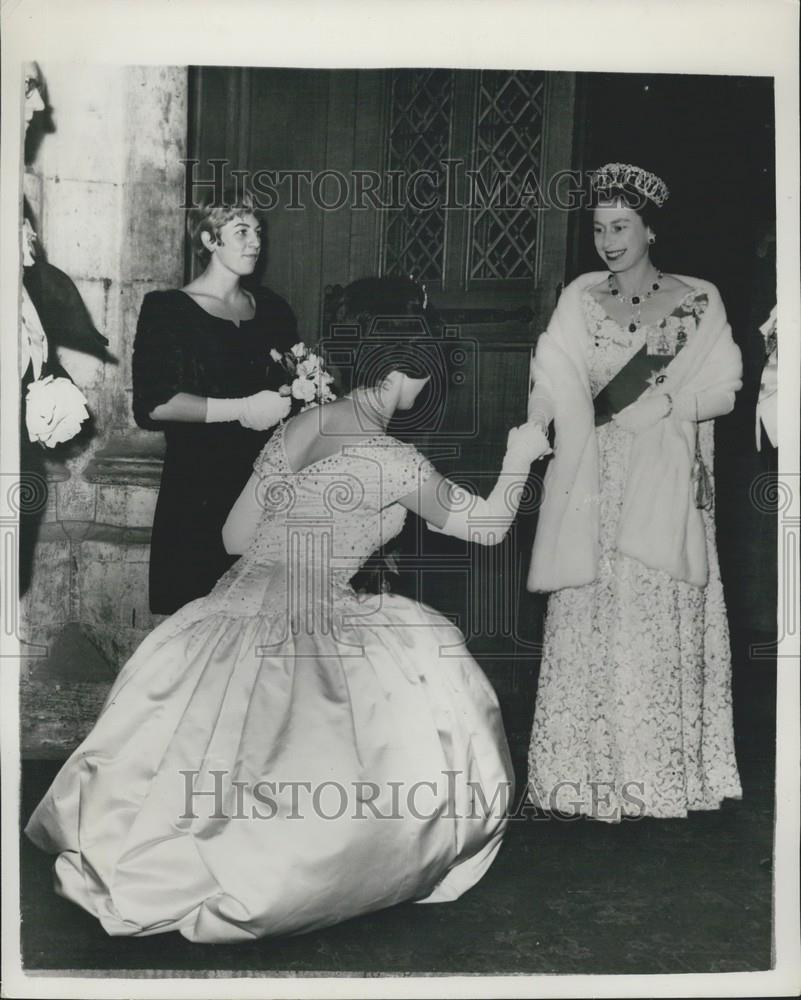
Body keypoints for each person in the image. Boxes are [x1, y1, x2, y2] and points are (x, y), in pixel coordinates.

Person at [25, 277, 552, 943]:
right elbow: (486, 527)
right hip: (312, 615)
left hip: (230, 610)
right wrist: (518, 460)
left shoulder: (300, 428)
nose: (427, 391)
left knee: (197, 754)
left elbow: (234, 539)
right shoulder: (393, 461)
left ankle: (151, 850)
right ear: (400, 373)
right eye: (426, 375)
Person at [526, 162, 743, 821]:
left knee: (650, 609)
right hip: (591, 477)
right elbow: (551, 381)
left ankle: (653, 773)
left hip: (659, 475)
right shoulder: (578, 297)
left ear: (649, 229)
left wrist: (668, 403)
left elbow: (728, 389)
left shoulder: (695, 298)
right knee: (592, 609)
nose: (608, 240)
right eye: (598, 228)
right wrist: (533, 436)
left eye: (621, 226)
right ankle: (580, 772)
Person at [132, 190, 296, 614]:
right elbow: (154, 404)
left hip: (266, 486)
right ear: (208, 240)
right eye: (241, 231)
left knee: (263, 622)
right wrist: (241, 409)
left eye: (257, 232)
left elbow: (296, 383)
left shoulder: (275, 309)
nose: (255, 242)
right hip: (199, 488)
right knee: (201, 623)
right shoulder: (168, 310)